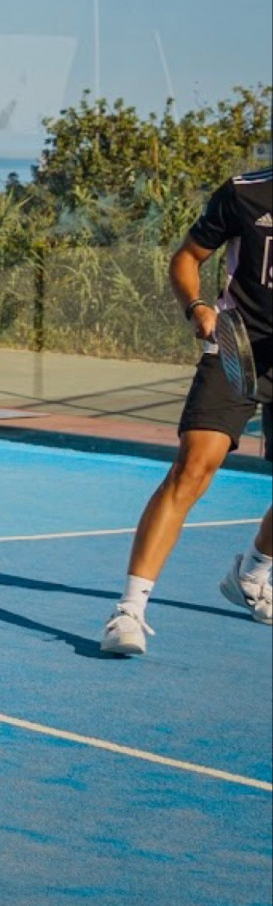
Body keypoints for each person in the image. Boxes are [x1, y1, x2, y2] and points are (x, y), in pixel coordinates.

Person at [100, 158, 273, 655]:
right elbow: (187, 257)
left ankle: (252, 573)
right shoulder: (244, 193)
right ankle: (128, 612)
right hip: (237, 345)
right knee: (194, 467)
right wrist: (197, 307)